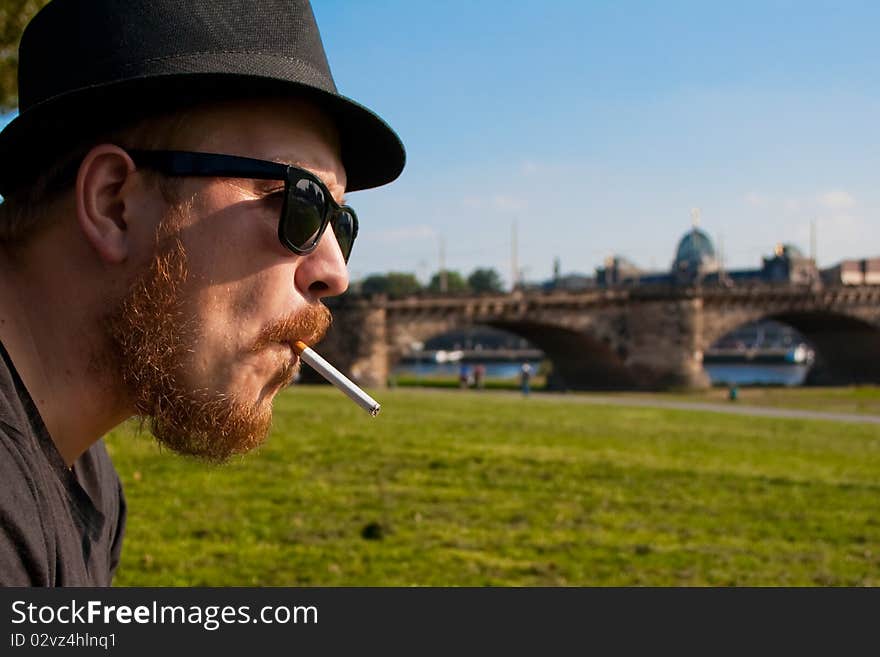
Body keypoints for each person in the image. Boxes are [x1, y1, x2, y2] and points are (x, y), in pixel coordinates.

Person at [0, 0, 405, 586]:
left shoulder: (86, 475)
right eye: (300, 201)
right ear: (115, 204)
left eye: (341, 225)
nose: (335, 272)